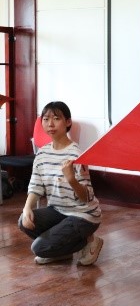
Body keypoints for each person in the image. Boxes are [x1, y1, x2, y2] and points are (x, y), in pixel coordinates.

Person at [18, 101, 103, 266]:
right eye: (46, 119)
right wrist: (27, 208)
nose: (50, 124)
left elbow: (86, 198)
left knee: (39, 248)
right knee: (24, 221)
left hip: (83, 215)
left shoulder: (76, 155)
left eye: (56, 118)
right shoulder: (42, 154)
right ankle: (61, 252)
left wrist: (71, 179)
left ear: (68, 122)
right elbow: (36, 185)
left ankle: (89, 241)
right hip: (58, 210)